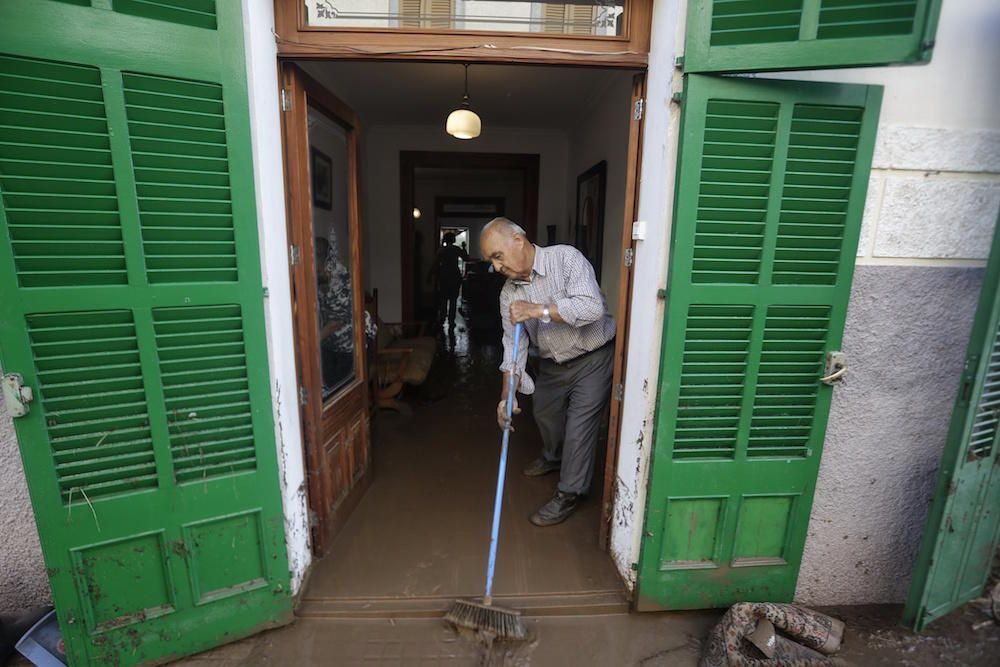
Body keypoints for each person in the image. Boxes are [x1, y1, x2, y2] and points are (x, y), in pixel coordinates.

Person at [481, 217, 615, 526]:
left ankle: (569, 493)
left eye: (497, 256)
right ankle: (554, 457)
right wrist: (507, 394)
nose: (496, 267)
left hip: (592, 357)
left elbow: (591, 308)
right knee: (544, 412)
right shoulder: (508, 294)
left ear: (518, 240)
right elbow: (512, 348)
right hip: (553, 363)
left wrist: (537, 310)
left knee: (580, 427)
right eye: (491, 261)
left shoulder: (565, 258)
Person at [431, 231, 468, 329]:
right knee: (453, 300)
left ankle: (442, 319)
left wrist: (430, 276)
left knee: (443, 299)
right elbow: (466, 258)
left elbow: (435, 264)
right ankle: (451, 321)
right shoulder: (456, 249)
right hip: (454, 276)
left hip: (444, 276)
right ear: (453, 239)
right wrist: (464, 247)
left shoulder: (441, 250)